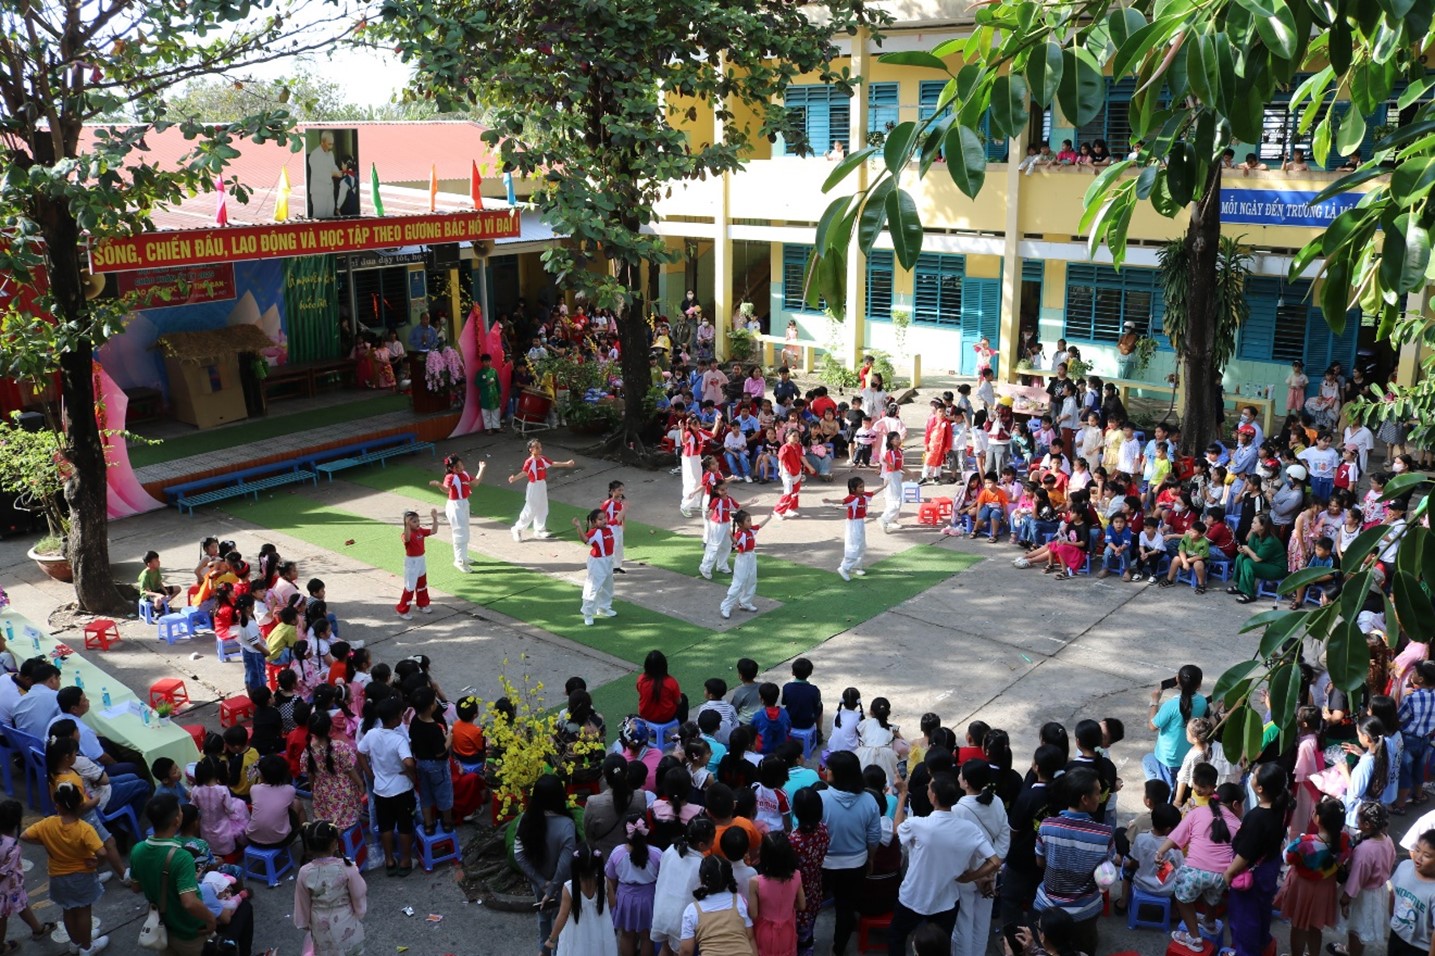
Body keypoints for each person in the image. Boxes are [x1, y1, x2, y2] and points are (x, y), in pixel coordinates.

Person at [1159, 772, 1242, 952]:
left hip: (1194, 872)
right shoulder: (1238, 824)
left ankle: (1195, 938)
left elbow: (1177, 835)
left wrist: (1161, 851)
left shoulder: (1198, 812)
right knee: (1212, 896)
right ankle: (1210, 922)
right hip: (1222, 876)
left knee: (1182, 898)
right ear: (1236, 805)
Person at [21, 782, 107, 954]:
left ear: (58, 805)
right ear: (80, 804)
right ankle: (87, 947)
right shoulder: (84, 829)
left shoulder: (47, 824)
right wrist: (98, 863)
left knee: (68, 911)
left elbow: (24, 835)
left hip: (58, 876)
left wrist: (45, 843)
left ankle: (76, 942)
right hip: (82, 876)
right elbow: (102, 852)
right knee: (84, 912)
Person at [820, 751, 883, 954]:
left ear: (837, 773)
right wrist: (871, 858)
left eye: (829, 768)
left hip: (824, 864)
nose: (826, 771)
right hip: (856, 864)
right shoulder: (869, 801)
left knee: (812, 904)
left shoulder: (821, 799)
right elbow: (874, 837)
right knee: (846, 909)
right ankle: (839, 948)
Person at [1277, 797, 1349, 956]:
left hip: (1302, 888)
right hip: (1325, 888)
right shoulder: (1345, 840)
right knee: (1315, 926)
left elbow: (1287, 858)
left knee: (1298, 926)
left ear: (1318, 819)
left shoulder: (1304, 842)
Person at [517, 775, 579, 950]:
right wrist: (552, 889)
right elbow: (564, 864)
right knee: (562, 923)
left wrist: (542, 883)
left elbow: (519, 855)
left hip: (539, 884)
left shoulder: (525, 820)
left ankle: (543, 951)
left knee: (543, 920)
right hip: (563, 886)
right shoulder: (567, 825)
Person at [357, 697, 416, 876]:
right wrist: (411, 773)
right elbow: (408, 762)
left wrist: (369, 773)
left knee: (386, 826)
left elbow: (360, 752)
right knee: (405, 826)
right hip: (401, 789)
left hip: (381, 789)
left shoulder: (371, 734)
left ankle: (389, 860)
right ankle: (405, 861)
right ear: (396, 718)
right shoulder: (399, 740)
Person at [292, 820, 367, 956]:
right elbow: (359, 893)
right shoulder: (347, 867)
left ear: (309, 846)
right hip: (346, 921)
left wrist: (304, 922)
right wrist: (359, 911)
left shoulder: (304, 872)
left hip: (320, 925)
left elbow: (302, 901)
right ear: (334, 843)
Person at [653, 817, 715, 956]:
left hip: (662, 910)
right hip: (680, 919)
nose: (714, 842)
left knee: (665, 948)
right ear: (701, 845)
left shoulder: (671, 850)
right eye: (712, 840)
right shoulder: (701, 865)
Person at [545, 844, 617, 956]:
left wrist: (551, 939)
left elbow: (563, 915)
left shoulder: (569, 887)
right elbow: (612, 903)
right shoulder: (604, 882)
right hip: (600, 931)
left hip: (577, 935)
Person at [678, 855, 756, 956]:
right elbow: (750, 936)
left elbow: (686, 950)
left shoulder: (692, 910)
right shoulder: (739, 901)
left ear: (702, 879)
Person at [509, 439, 578, 541]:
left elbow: (553, 463)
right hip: (533, 486)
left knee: (543, 507)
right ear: (531, 449)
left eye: (540, 447)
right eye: (537, 447)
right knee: (530, 508)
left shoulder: (543, 459)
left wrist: (566, 464)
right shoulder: (529, 462)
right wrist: (514, 478)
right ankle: (517, 529)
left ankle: (539, 529)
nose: (540, 449)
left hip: (542, 485)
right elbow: (524, 472)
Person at [429, 455, 483, 574]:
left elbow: (475, 483)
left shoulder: (464, 474)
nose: (460, 468)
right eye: (457, 466)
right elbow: (447, 490)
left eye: (461, 465)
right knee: (459, 533)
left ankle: (464, 557)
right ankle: (459, 561)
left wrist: (481, 469)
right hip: (455, 506)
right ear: (451, 468)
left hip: (464, 503)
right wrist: (438, 484)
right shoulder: (450, 477)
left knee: (465, 531)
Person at [720, 510, 774, 620]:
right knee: (738, 583)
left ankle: (745, 602)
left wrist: (768, 518)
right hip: (743, 558)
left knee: (751, 580)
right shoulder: (740, 534)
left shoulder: (751, 530)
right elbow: (735, 541)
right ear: (740, 523)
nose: (750, 523)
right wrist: (730, 535)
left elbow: (759, 526)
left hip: (751, 556)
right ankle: (726, 606)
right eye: (748, 521)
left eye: (750, 520)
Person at [572, 508, 617, 627]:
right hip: (597, 562)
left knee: (608, 586)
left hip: (609, 560)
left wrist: (624, 507)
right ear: (594, 522)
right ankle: (587, 614)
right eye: (600, 519)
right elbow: (585, 540)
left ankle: (604, 608)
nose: (604, 520)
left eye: (605, 518)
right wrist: (578, 527)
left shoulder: (610, 528)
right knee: (592, 587)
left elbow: (617, 519)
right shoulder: (594, 532)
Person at [1230, 514, 1287, 603]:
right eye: (1252, 522)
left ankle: (1249, 594)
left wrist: (1247, 549)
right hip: (1264, 562)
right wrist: (1243, 551)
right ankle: (1240, 586)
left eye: (1254, 523)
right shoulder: (1255, 535)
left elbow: (1257, 559)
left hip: (1276, 568)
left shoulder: (1270, 540)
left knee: (1248, 563)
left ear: (1262, 527)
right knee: (1241, 557)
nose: (1252, 524)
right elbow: (1250, 551)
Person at [394, 508, 438, 620]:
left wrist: (435, 519)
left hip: (421, 560)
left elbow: (433, 531)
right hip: (412, 562)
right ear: (407, 523)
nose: (417, 523)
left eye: (418, 520)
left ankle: (422, 604)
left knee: (422, 583)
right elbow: (407, 538)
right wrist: (407, 526)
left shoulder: (421, 531)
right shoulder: (405, 535)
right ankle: (402, 610)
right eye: (414, 521)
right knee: (410, 586)